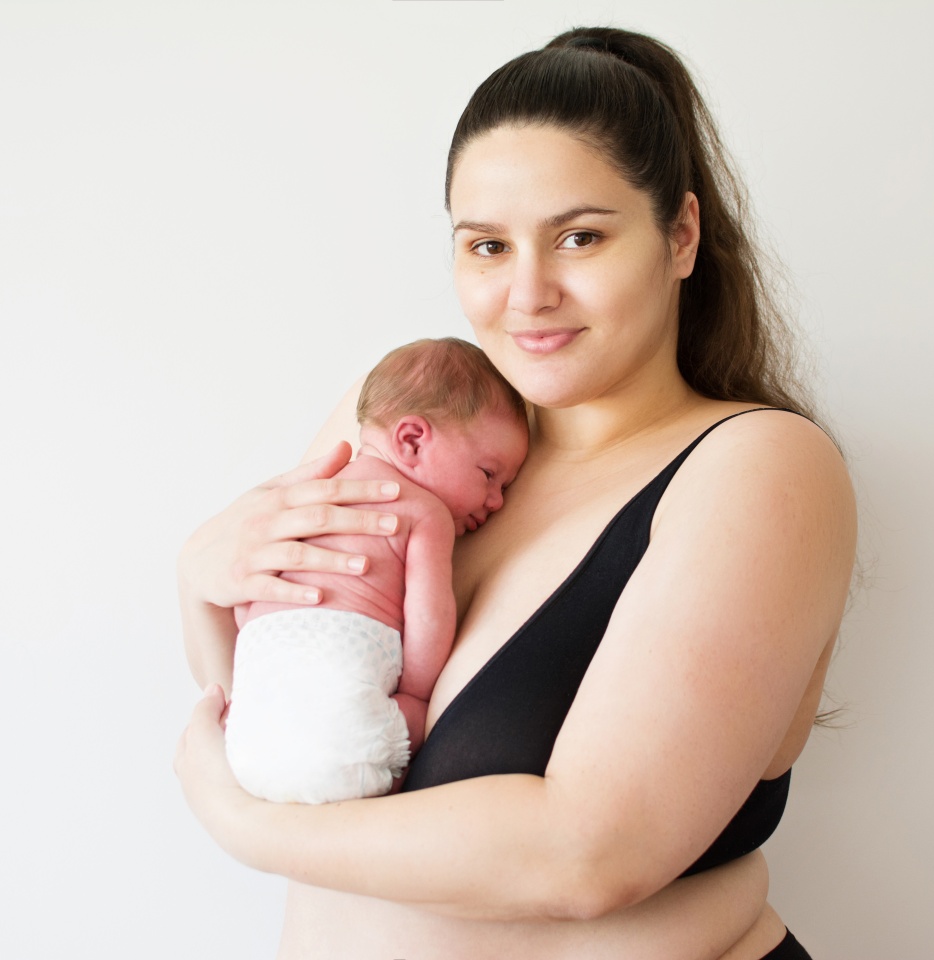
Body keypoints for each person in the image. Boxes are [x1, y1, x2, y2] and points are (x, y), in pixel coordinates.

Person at [175, 26, 857, 960]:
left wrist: (241, 825)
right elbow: (273, 682)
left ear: (681, 234)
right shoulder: (406, 420)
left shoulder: (758, 467)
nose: (528, 294)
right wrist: (197, 577)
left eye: (580, 237)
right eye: (488, 245)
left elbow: (592, 853)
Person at [226, 337, 528, 804]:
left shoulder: (314, 493)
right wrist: (417, 697)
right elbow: (428, 617)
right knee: (415, 728)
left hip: (248, 739)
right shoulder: (423, 512)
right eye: (489, 474)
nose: (497, 501)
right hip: (349, 728)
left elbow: (250, 589)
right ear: (411, 440)